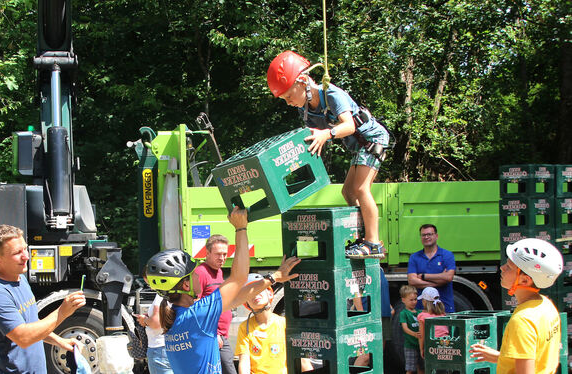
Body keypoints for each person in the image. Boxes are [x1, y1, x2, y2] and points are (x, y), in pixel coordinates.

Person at [144, 207, 301, 374]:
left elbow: (237, 297)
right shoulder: (198, 315)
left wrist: (273, 278)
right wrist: (240, 228)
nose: (198, 275)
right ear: (186, 286)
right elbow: (239, 278)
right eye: (193, 274)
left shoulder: (176, 317)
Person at [267, 50, 389, 259]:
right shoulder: (305, 110)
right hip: (358, 147)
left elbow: (349, 125)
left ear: (303, 81)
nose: (288, 102)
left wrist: (327, 134)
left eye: (288, 96)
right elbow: (313, 138)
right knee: (348, 192)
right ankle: (362, 236)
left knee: (360, 188)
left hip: (372, 140)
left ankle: (374, 242)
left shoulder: (331, 94)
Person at [0, 224, 86, 374]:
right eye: (17, 253)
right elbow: (24, 337)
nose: (26, 256)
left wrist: (60, 341)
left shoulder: (21, 279)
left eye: (25, 248)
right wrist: (62, 312)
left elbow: (32, 324)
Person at [469, 238, 563, 374]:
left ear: (525, 280)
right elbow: (536, 358)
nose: (502, 268)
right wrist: (500, 358)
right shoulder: (546, 306)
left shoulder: (523, 320)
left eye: (509, 267)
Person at [235, 274, 313, 374]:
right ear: (246, 303)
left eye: (258, 290)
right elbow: (244, 362)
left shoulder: (285, 324)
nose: (254, 295)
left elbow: (303, 362)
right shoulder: (245, 328)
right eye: (250, 293)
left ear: (270, 294)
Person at [194, 233, 237, 374]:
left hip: (219, 336)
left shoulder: (218, 271)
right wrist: (212, 334)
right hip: (212, 336)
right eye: (218, 254)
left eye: (225, 254)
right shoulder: (200, 272)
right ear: (207, 253)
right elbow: (195, 309)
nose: (222, 258)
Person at [407, 224, 456, 313]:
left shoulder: (447, 255)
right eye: (423, 235)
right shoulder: (414, 257)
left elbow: (448, 277)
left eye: (429, 234)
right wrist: (440, 280)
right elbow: (412, 281)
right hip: (423, 309)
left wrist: (423, 276)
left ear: (436, 236)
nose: (426, 237)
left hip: (444, 308)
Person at [133, 292, 173, 374]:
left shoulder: (161, 294)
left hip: (159, 348)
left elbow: (156, 323)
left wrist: (144, 320)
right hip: (175, 345)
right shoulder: (180, 292)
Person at [416, 287, 449, 357]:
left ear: (424, 301)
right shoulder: (442, 314)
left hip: (432, 346)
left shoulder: (422, 316)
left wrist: (422, 349)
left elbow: (421, 335)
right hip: (446, 344)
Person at [399, 285, 423, 374]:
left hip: (420, 345)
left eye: (415, 299)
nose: (414, 302)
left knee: (422, 367)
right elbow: (405, 328)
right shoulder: (403, 313)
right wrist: (415, 334)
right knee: (410, 369)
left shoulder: (420, 313)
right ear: (403, 300)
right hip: (410, 345)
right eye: (411, 300)